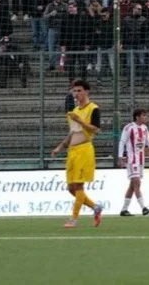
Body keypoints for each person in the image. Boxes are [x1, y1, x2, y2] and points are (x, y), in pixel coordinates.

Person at [50, 79, 104, 229]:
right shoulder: (73, 112)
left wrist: (80, 121)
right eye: (74, 91)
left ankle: (73, 219)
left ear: (87, 91)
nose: (76, 94)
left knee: (79, 186)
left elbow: (96, 129)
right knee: (71, 188)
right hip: (72, 152)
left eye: (79, 91)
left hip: (84, 150)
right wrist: (59, 148)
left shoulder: (93, 108)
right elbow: (72, 134)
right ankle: (95, 207)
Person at [117, 109, 149, 216]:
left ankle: (124, 209)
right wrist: (120, 157)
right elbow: (122, 142)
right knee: (137, 182)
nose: (146, 117)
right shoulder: (128, 128)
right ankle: (143, 208)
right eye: (144, 115)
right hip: (132, 160)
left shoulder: (145, 128)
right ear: (137, 117)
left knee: (132, 185)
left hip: (141, 160)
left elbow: (148, 141)